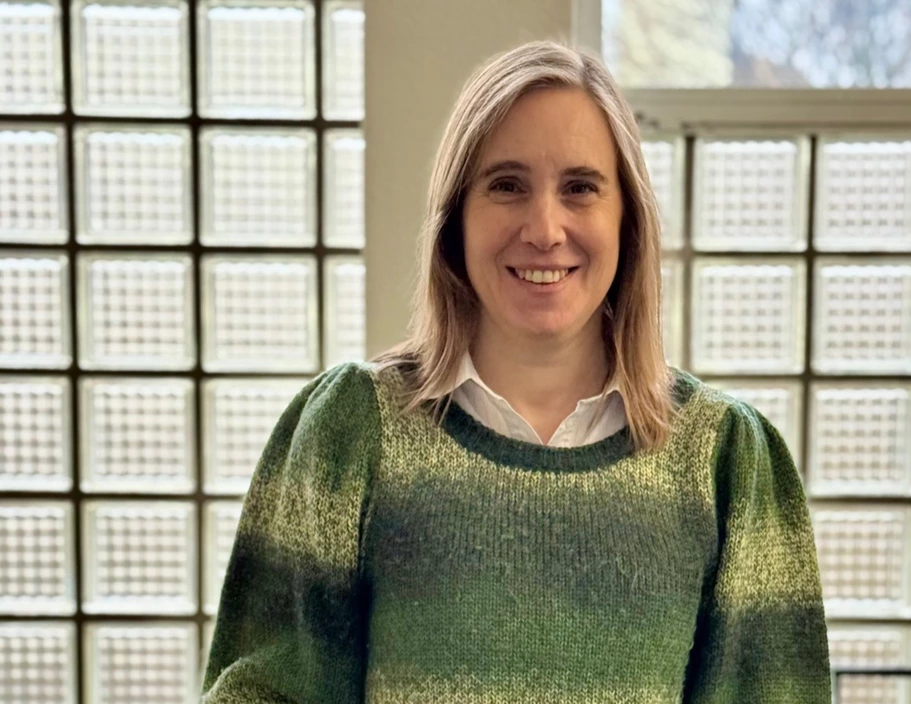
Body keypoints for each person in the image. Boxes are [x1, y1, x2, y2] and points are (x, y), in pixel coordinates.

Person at [200, 40, 831, 703]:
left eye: (580, 188)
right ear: (456, 219)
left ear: (628, 219)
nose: (544, 229)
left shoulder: (726, 459)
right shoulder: (353, 430)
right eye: (507, 185)